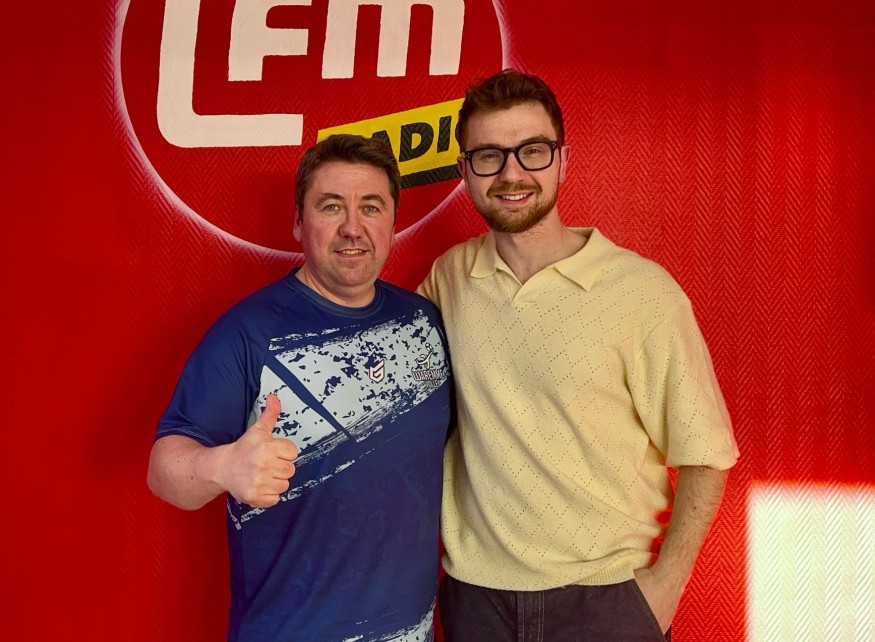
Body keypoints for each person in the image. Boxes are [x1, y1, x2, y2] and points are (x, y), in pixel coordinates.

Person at [419, 69, 739, 641]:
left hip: (608, 601)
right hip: (477, 600)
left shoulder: (642, 292)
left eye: (532, 151)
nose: (511, 174)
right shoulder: (451, 278)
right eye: (489, 156)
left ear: (563, 161)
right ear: (464, 171)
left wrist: (665, 586)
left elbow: (706, 454)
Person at [147, 134, 452, 642]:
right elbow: (164, 471)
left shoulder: (425, 323)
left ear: (393, 223)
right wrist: (222, 465)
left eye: (370, 207)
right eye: (331, 207)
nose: (352, 227)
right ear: (298, 222)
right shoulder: (247, 334)